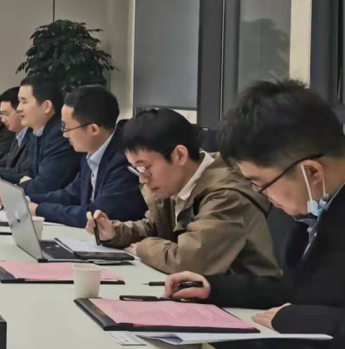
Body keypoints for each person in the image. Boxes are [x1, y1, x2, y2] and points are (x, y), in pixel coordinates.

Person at [165, 80, 345, 349]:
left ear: (312, 172)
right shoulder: (313, 210)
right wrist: (215, 287)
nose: (263, 195)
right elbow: (297, 289)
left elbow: (307, 308)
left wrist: (297, 319)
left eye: (261, 184)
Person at [86, 107, 278, 276]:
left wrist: (143, 248)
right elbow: (154, 226)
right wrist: (114, 232)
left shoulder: (226, 195)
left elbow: (191, 261)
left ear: (179, 155)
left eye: (145, 168)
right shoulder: (177, 180)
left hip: (243, 300)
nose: (142, 179)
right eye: (136, 170)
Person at [26, 85, 146, 227]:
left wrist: (39, 210)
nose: (64, 134)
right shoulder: (92, 151)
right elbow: (70, 195)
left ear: (93, 129)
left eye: (67, 128)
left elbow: (96, 215)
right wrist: (26, 199)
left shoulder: (124, 160)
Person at [0, 74, 81, 195]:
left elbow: (43, 186)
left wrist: (15, 183)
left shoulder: (59, 135)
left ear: (46, 106)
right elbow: (28, 174)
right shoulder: (38, 132)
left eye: (24, 102)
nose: (19, 108)